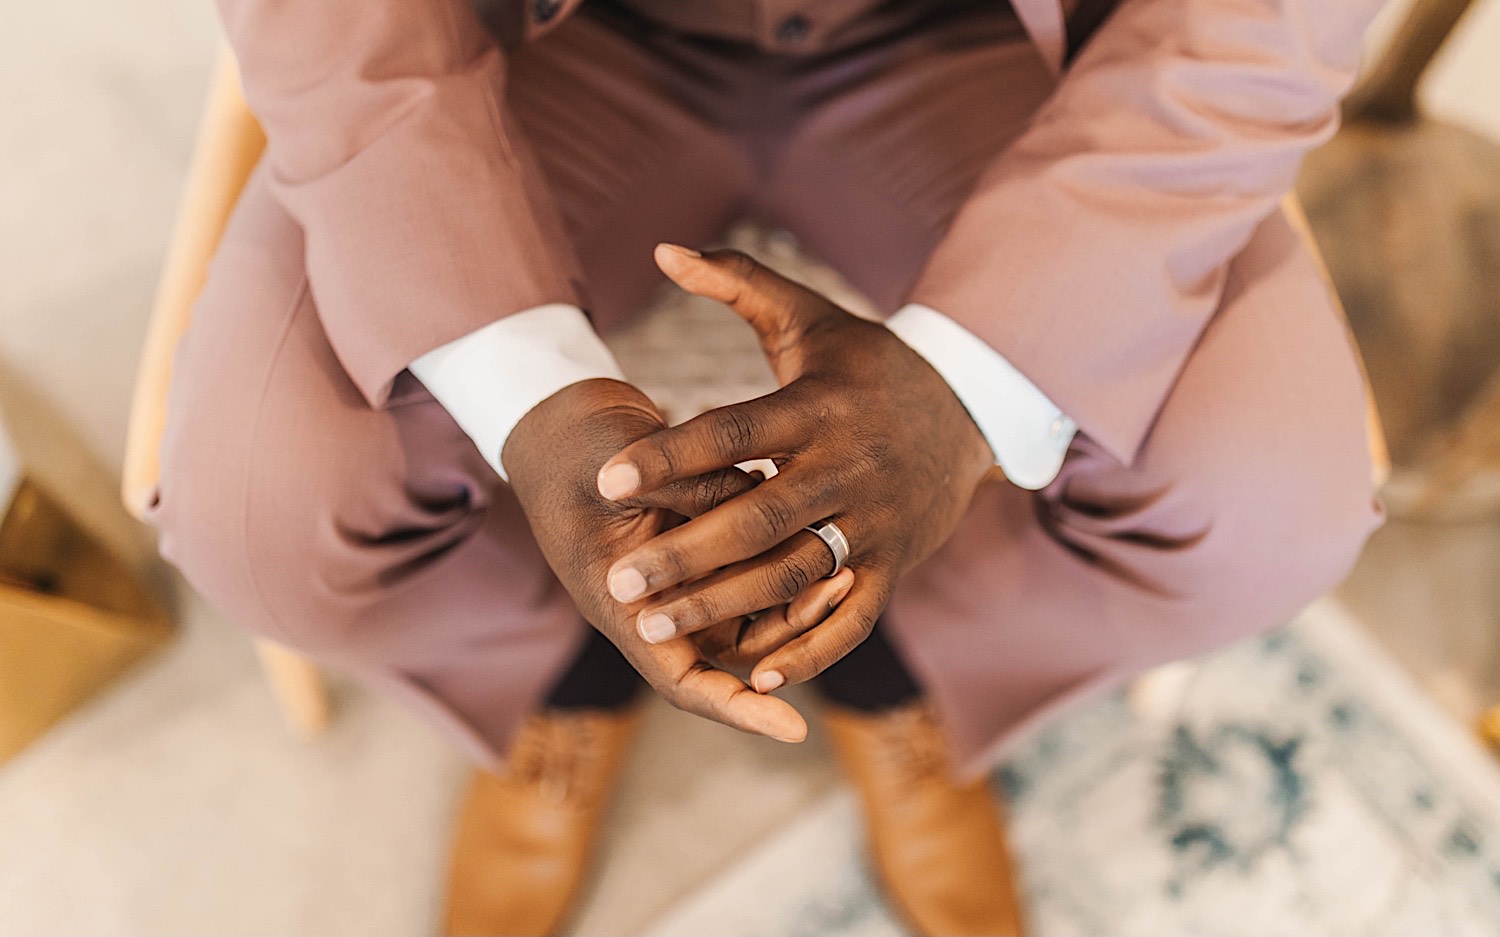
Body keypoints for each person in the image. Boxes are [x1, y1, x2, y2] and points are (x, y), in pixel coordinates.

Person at [150, 0, 1388, 933]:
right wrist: (526, 396)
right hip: (540, 44)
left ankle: (878, 650)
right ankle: (581, 658)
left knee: (1269, 508)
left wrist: (968, 387)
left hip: (998, 49)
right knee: (263, 509)